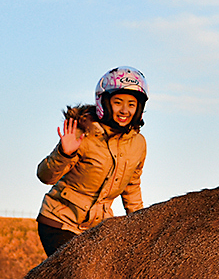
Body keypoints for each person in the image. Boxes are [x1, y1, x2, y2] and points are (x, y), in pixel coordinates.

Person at [35, 66, 149, 256]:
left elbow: (132, 186)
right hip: (59, 223)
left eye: (131, 104)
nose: (125, 110)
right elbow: (45, 176)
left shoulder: (138, 144)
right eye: (118, 102)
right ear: (104, 102)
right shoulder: (83, 134)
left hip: (97, 230)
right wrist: (64, 153)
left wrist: (141, 226)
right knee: (78, 278)